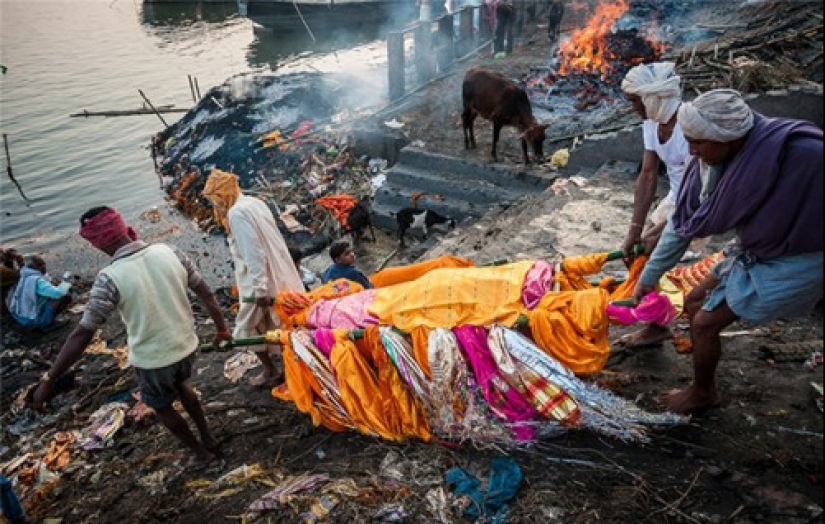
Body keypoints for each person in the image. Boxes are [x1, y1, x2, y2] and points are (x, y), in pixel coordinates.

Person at [632, 89, 823, 414]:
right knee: (693, 301)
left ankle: (703, 392)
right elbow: (684, 225)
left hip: (801, 256)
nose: (691, 150)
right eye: (688, 140)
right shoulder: (718, 159)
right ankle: (701, 367)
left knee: (705, 322)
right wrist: (648, 278)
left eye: (698, 143)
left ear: (728, 138)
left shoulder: (806, 155)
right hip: (759, 248)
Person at [32, 207, 232, 467]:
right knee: (183, 386)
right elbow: (206, 293)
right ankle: (208, 437)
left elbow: (83, 332)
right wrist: (221, 329)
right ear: (122, 228)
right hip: (186, 345)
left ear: (99, 243)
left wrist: (50, 378)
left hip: (154, 359)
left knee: (161, 406)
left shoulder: (110, 278)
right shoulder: (170, 251)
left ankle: (201, 453)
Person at [202, 169, 304, 387]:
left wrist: (259, 289)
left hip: (260, 280)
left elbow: (253, 252)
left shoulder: (237, 213)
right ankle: (288, 371)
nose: (216, 206)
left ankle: (273, 371)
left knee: (246, 329)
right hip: (279, 272)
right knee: (280, 326)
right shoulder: (254, 202)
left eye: (216, 199)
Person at [618, 62, 691, 348]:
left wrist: (661, 230)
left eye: (636, 101)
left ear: (653, 98)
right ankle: (656, 321)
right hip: (678, 197)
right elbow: (648, 174)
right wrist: (635, 230)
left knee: (653, 254)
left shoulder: (690, 127)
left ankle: (657, 325)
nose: (634, 108)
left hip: (703, 200)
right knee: (641, 250)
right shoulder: (652, 122)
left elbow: (698, 190)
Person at [5, 255, 72, 330]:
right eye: (41, 264)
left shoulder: (23, 275)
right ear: (36, 267)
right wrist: (66, 284)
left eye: (43, 264)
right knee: (66, 296)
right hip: (31, 320)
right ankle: (47, 324)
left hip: (20, 317)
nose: (44, 266)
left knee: (47, 296)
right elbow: (58, 294)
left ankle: (41, 320)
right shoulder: (36, 280)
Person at [1, 247, 25, 316]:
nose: (3, 253)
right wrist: (19, 260)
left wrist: (9, 260)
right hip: (7, 304)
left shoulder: (4, 267)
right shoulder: (2, 270)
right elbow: (22, 275)